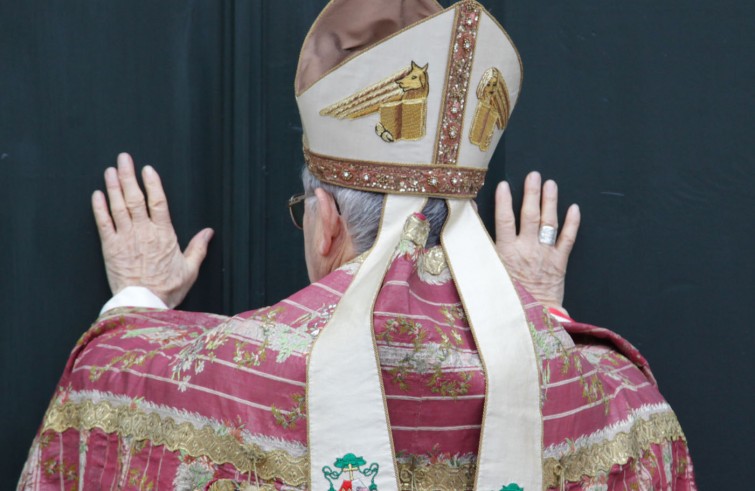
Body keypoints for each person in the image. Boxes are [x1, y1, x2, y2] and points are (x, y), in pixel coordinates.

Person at [18, 1, 696, 490]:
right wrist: (541, 319)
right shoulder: (617, 398)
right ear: (463, 227)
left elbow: (104, 385)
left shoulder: (181, 378)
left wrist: (140, 293)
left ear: (325, 219)